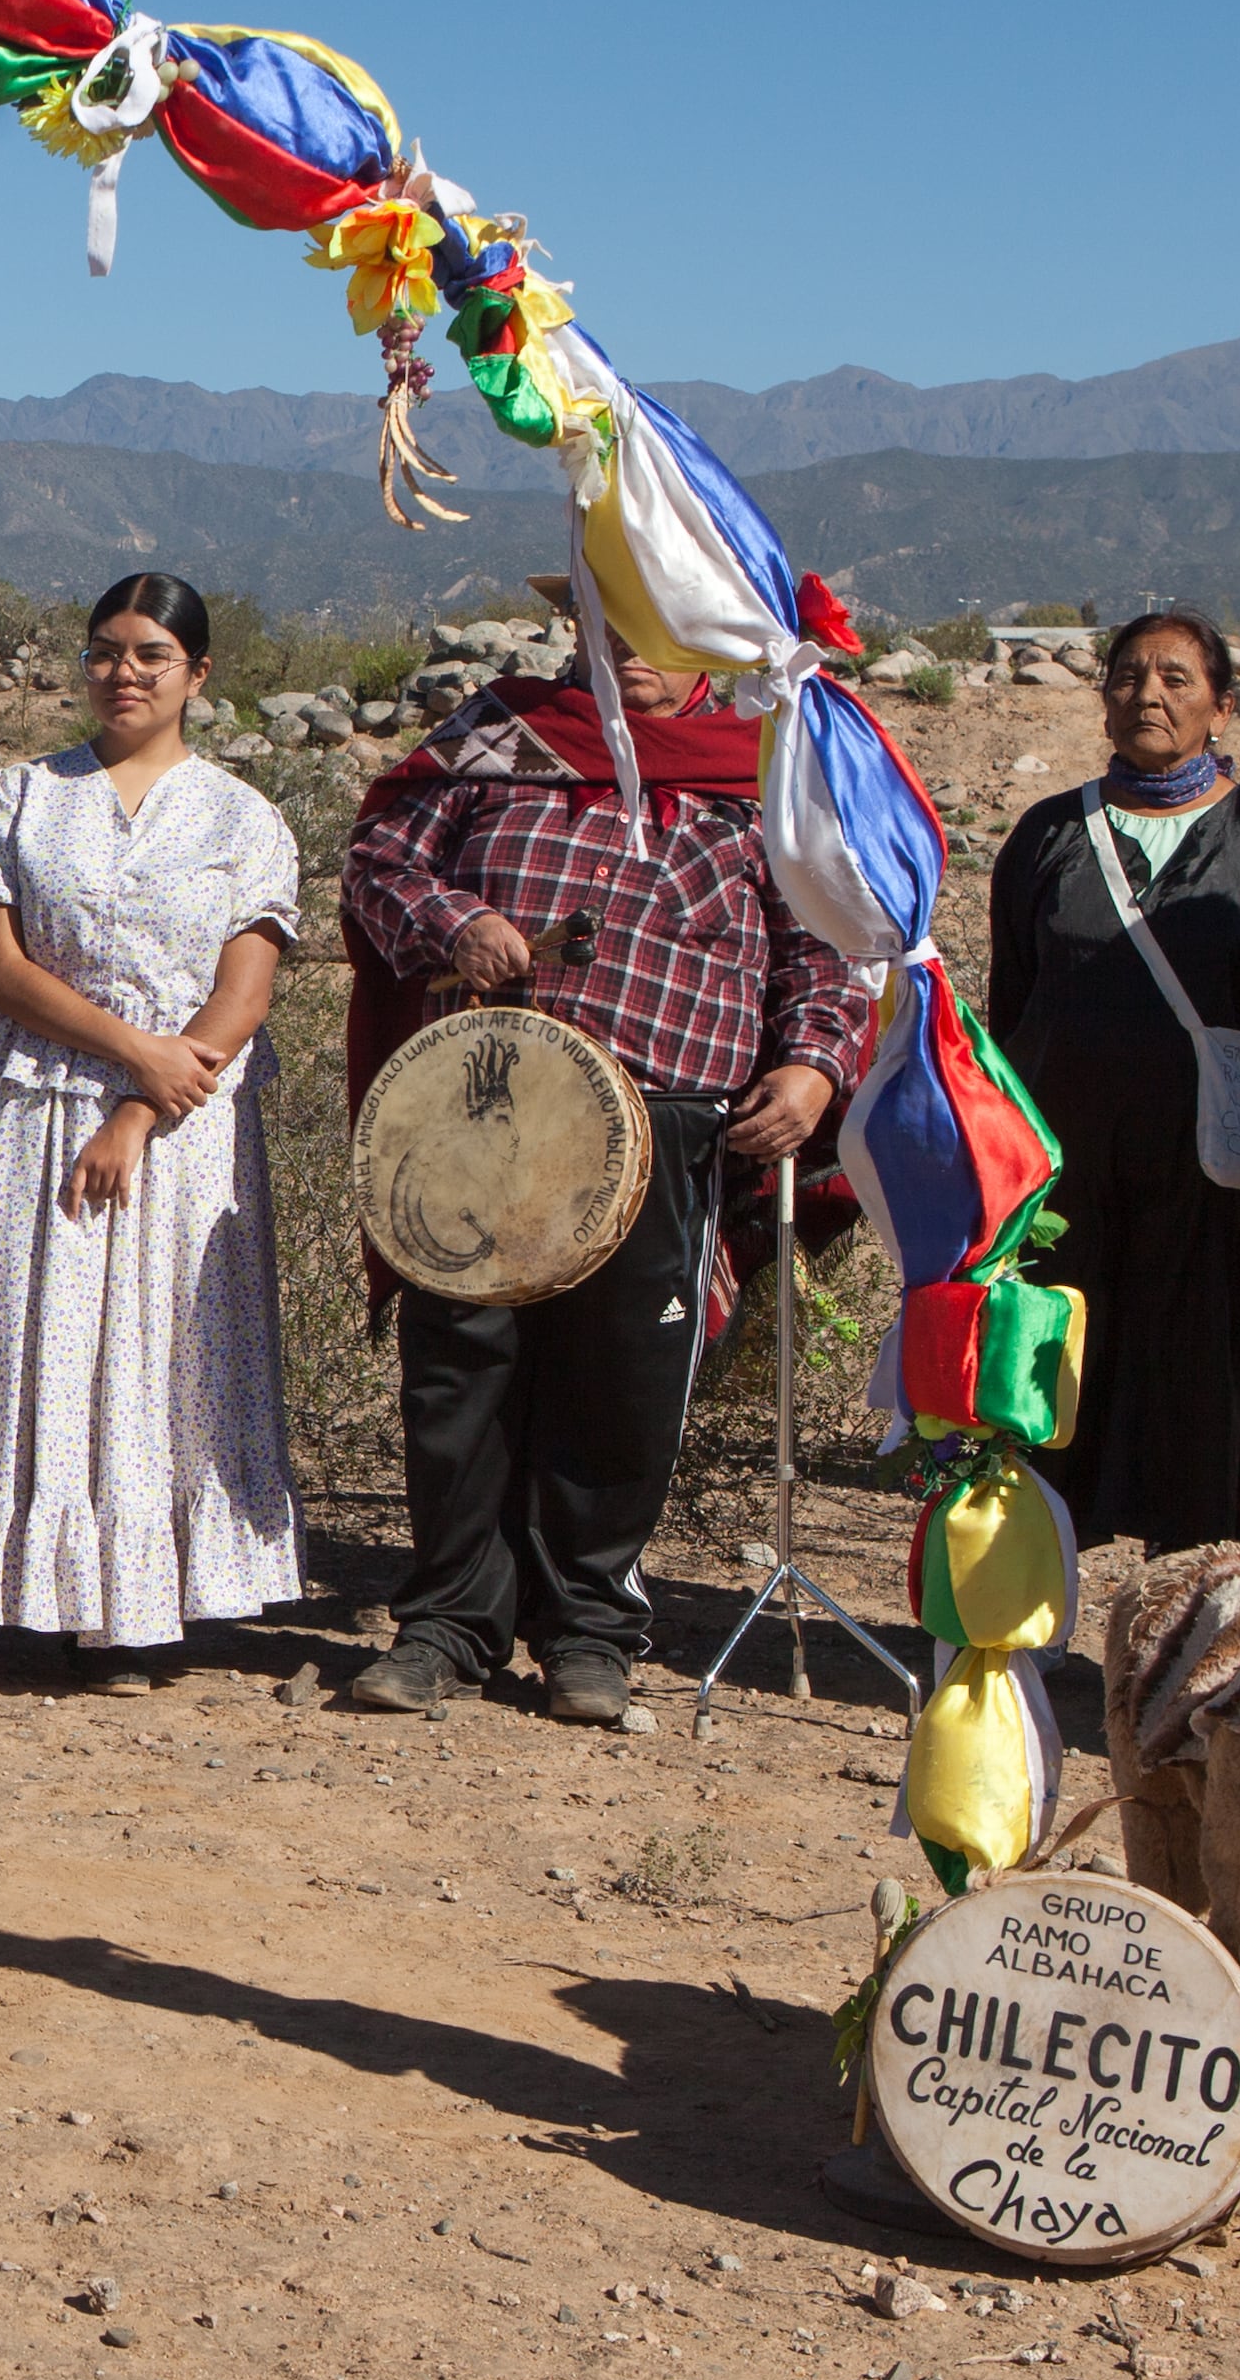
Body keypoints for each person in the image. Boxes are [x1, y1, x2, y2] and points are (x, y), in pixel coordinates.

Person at [336, 590, 866, 1724]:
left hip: (666, 1113)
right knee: (461, 1367)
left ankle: (587, 1627)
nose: (630, 655)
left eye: (661, 638)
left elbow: (825, 943)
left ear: (709, 657)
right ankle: (446, 1622)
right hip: (483, 1101)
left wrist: (812, 1063)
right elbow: (379, 858)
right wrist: (451, 923)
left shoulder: (761, 772)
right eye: (611, 627)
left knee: (620, 1377)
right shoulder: (497, 738)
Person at [0, 573, 303, 1696]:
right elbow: (0, 970)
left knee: (147, 1360)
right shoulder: (18, 798)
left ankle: (125, 1613)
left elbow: (241, 997)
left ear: (198, 674)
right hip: (31, 1100)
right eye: (103, 651)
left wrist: (143, 1102)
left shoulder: (245, 819)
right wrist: (127, 1051)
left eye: (149, 654)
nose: (121, 673)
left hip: (182, 1128)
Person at [981, 608, 1240, 1552]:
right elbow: (1014, 1000)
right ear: (1103, 701)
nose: (1150, 694)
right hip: (1069, 1180)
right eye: (1130, 675)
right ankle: (1034, 1607)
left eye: (1177, 678)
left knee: (1196, 1384)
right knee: (1054, 1375)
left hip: (1208, 1176)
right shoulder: (1051, 835)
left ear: (1222, 706)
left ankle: (1195, 1617)